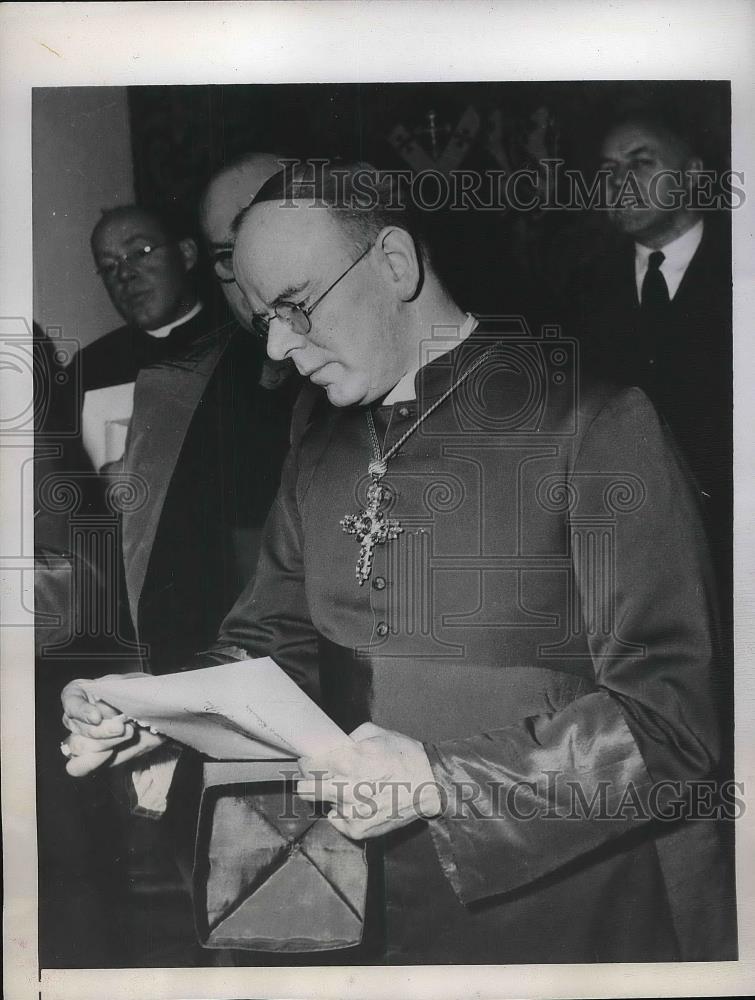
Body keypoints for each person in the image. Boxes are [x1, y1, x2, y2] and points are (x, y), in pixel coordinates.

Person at [62, 161, 736, 964]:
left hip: (564, 910)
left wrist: (439, 779)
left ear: (394, 262)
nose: (275, 345)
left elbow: (674, 722)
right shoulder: (318, 432)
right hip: (350, 900)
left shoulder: (595, 420)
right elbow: (277, 639)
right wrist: (163, 714)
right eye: (260, 316)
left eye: (295, 305)